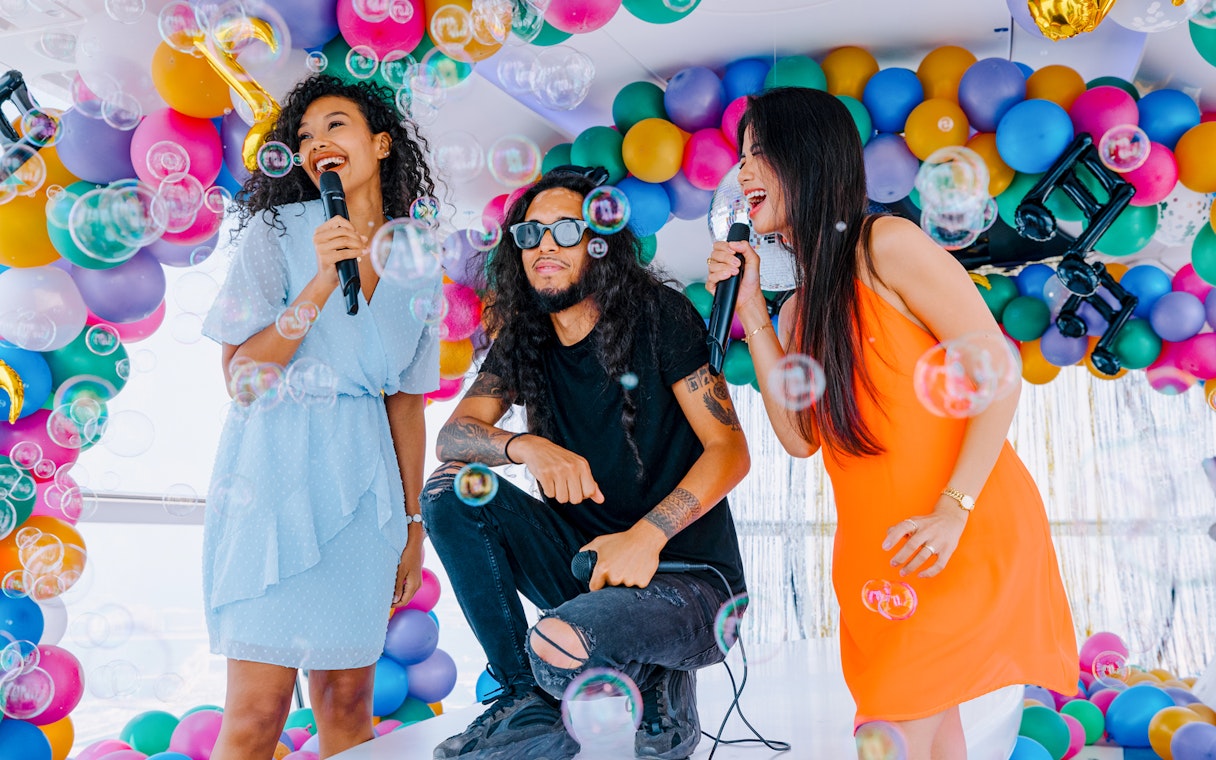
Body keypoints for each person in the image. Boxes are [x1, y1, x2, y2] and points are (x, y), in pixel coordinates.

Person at [706, 87, 1078, 759]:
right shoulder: (794, 315)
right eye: (741, 156)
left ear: (810, 158)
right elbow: (798, 440)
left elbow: (999, 371)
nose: (743, 171)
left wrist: (953, 510)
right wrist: (755, 313)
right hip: (879, 560)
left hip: (956, 530)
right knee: (934, 738)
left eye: (760, 152)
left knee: (892, 732)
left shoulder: (886, 245)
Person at [420, 167, 750, 760]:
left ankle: (663, 675)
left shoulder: (660, 314)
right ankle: (526, 699)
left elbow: (730, 451)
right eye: (530, 233)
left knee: (559, 645)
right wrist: (525, 446)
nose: (543, 245)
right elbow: (454, 438)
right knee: (450, 492)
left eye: (565, 230)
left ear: (599, 244)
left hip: (689, 580)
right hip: (587, 568)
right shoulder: (524, 339)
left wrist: (647, 537)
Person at [200, 74, 438, 759]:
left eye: (335, 125)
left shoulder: (420, 258)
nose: (316, 142)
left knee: (346, 706)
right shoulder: (278, 233)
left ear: (381, 143)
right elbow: (243, 380)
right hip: (272, 478)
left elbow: (407, 402)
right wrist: (319, 280)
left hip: (365, 494)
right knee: (254, 714)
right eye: (303, 135)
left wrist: (414, 525)